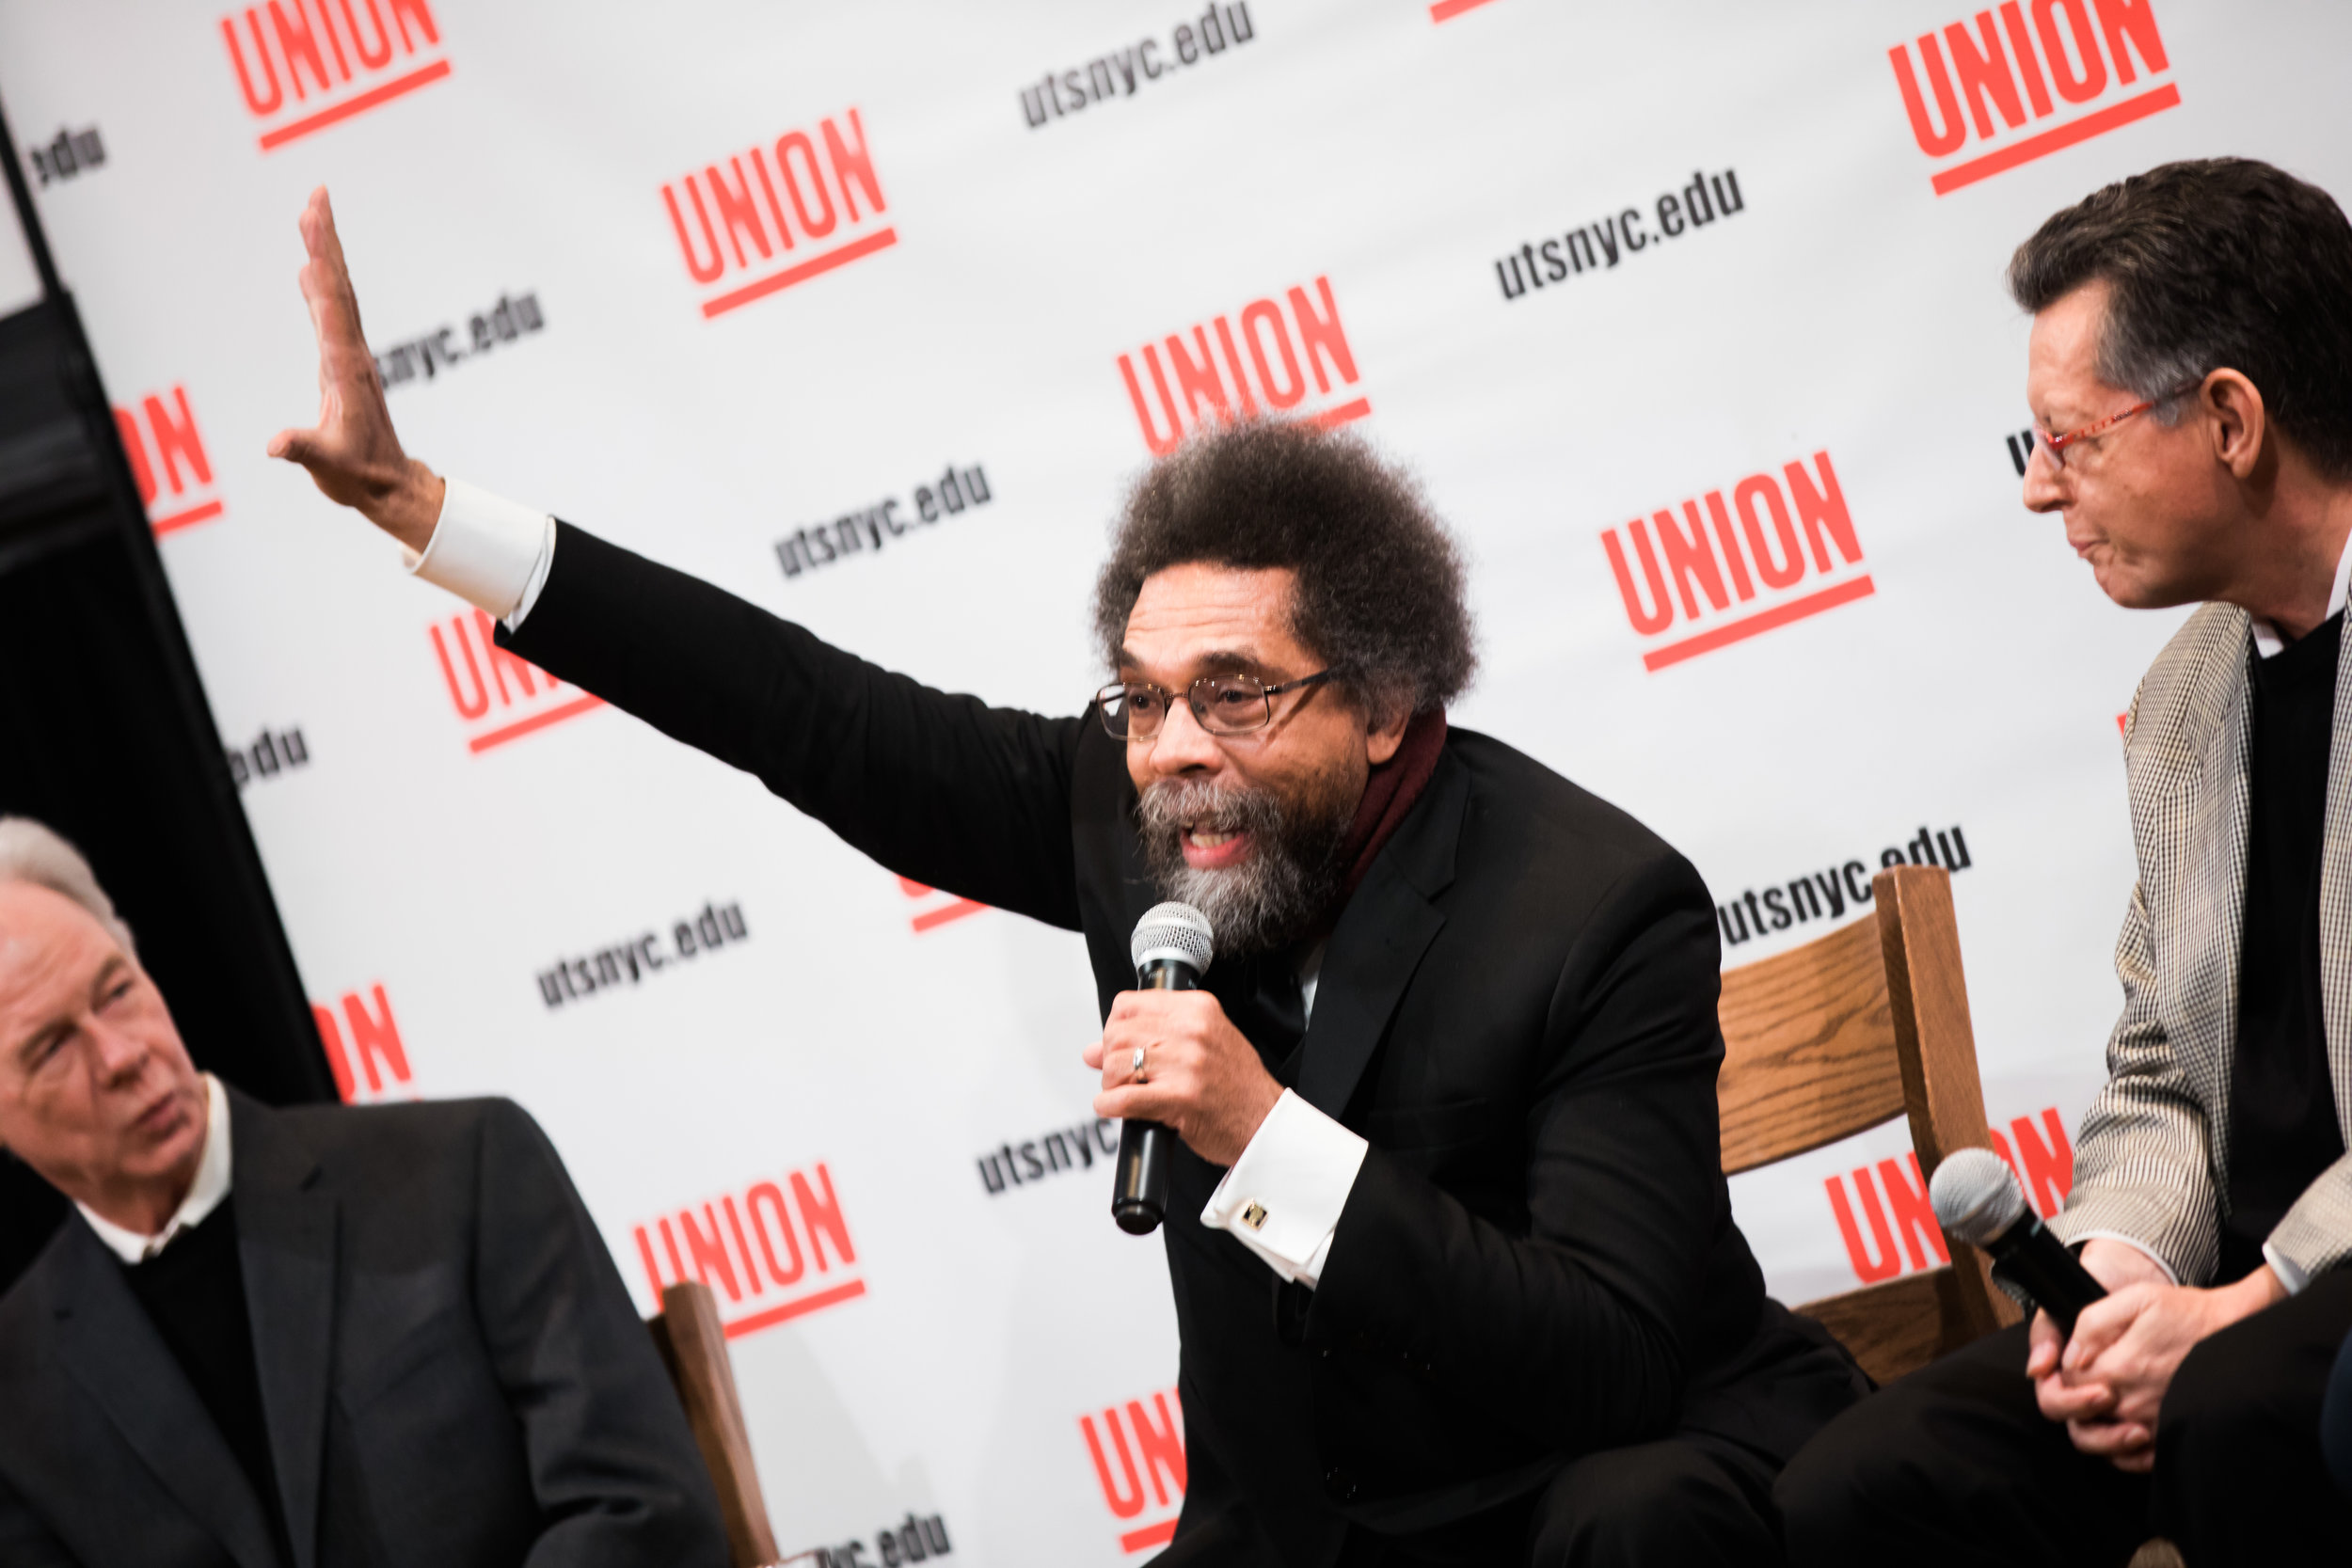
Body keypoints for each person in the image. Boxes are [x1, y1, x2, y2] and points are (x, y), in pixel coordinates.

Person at [269, 187, 1865, 1565]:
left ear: (1384, 703)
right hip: (1296, 1532)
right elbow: (804, 708)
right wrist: (424, 510)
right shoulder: (1126, 812)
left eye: (1236, 693)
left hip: (1571, 1495)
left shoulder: (1594, 905)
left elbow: (1610, 1360)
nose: (1172, 748)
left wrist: (1261, 1133)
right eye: (1144, 695)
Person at [1777, 158, 2352, 1566]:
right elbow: (2163, 1065)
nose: (2039, 491)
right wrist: (2120, 1268)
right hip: (2230, 1294)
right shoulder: (2181, 700)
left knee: (2232, 1409)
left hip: (2309, 1299)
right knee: (1868, 1479)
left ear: (2228, 418)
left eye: (2069, 440)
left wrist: (2251, 1298)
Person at [0, 817, 729, 1568]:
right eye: (52, 1046)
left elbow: (645, 1512)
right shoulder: (15, 1396)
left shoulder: (462, 1173)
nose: (122, 1054)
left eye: (117, 991)